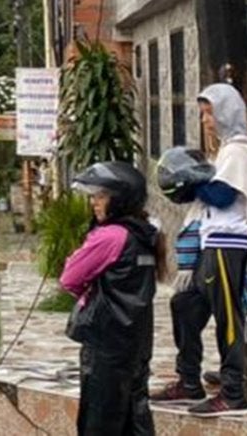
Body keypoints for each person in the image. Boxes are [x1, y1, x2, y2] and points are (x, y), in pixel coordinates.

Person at [151, 83, 247, 417]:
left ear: (227, 112)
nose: (205, 119)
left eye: (209, 112)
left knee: (228, 319)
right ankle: (188, 380)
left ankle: (233, 393)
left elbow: (223, 196)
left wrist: (192, 180)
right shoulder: (225, 151)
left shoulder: (240, 151)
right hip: (211, 243)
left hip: (228, 246)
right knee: (184, 305)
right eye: (203, 112)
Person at [59, 161, 163, 436]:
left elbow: (69, 278)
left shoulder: (109, 237)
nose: (93, 202)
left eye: (101, 196)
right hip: (136, 340)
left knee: (100, 419)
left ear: (119, 199)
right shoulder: (145, 232)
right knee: (135, 415)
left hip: (106, 340)